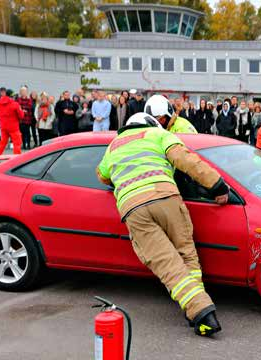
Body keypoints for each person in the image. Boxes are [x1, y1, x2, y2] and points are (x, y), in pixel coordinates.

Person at [96, 112, 229, 336]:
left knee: (167, 264)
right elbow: (186, 159)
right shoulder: (159, 134)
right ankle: (198, 309)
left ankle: (198, 310)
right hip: (167, 198)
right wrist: (216, 185)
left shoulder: (113, 146)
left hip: (134, 207)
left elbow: (102, 176)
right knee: (186, 254)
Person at [0, 88, 24, 155]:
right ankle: (17, 157)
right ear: (11, 96)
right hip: (13, 126)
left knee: (3, 142)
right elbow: (21, 115)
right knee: (17, 142)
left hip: (3, 125)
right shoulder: (15, 104)